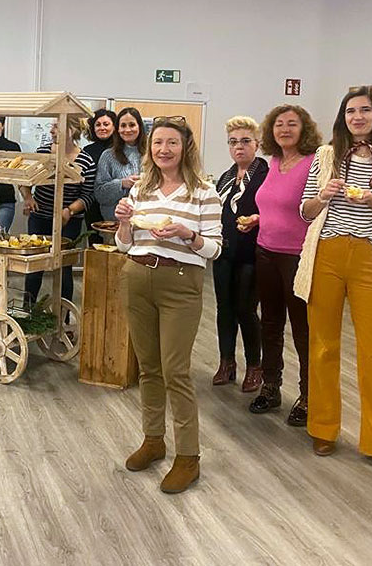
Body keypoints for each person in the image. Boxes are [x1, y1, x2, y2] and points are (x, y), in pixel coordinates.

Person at [297, 87, 372, 475]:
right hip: (327, 254)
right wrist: (323, 195)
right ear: (343, 117)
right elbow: (305, 211)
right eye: (351, 111)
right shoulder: (326, 156)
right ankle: (323, 428)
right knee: (322, 345)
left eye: (365, 110)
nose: (358, 117)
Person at [115, 116, 222, 494]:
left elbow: (214, 249)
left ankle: (188, 457)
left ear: (185, 147)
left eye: (172, 143)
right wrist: (123, 223)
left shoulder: (204, 192)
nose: (164, 149)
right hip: (136, 276)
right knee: (148, 368)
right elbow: (124, 244)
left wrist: (187, 233)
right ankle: (153, 440)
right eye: (158, 143)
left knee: (175, 370)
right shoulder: (140, 188)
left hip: (180, 282)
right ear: (150, 148)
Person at [248, 105, 322, 426]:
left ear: (304, 129)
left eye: (292, 124)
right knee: (270, 324)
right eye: (279, 124)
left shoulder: (313, 163)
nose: (285, 129)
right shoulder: (274, 161)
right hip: (265, 250)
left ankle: (308, 397)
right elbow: (275, 206)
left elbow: (315, 208)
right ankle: (271, 387)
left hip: (298, 257)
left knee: (303, 330)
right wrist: (258, 218)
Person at [212, 116, 268, 392]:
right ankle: (227, 362)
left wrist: (258, 218)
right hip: (224, 251)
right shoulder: (225, 177)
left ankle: (255, 366)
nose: (239, 147)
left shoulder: (265, 175)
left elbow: (275, 210)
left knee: (246, 309)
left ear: (257, 144)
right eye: (233, 142)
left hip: (251, 252)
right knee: (224, 308)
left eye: (245, 141)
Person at [20, 114, 94, 302]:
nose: (51, 131)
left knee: (64, 268)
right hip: (39, 217)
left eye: (56, 126)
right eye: (51, 126)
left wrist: (69, 210)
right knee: (34, 266)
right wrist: (28, 197)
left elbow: (88, 196)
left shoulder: (86, 161)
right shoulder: (42, 153)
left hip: (69, 223)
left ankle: (63, 315)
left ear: (71, 130)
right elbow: (24, 179)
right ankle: (27, 310)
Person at [95, 107, 146, 220]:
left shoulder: (152, 154)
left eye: (132, 125)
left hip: (146, 222)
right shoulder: (108, 156)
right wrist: (121, 184)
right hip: (115, 224)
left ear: (139, 127)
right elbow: (99, 195)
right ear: (117, 129)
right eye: (123, 125)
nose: (127, 130)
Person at [82, 108, 118, 242]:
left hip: (115, 205)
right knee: (94, 242)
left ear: (114, 127)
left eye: (106, 124)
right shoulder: (87, 151)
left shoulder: (120, 149)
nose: (102, 128)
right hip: (92, 205)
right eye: (98, 125)